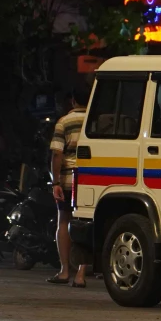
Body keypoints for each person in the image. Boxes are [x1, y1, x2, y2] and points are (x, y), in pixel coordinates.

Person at [47, 87, 90, 288]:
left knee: (64, 221)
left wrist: (55, 182)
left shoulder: (64, 121)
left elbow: (57, 153)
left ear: (72, 101)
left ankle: (64, 271)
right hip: (91, 180)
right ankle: (81, 274)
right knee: (86, 224)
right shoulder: (95, 120)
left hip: (67, 179)